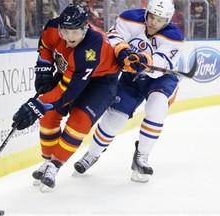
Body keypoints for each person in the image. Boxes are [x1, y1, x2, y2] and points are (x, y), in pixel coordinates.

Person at [74, 0, 185, 183]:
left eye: (159, 20)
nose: (153, 23)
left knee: (157, 107)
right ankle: (92, 154)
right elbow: (113, 37)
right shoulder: (130, 18)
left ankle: (141, 156)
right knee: (114, 117)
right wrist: (123, 52)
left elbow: (160, 64)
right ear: (146, 12)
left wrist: (143, 60)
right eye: (151, 17)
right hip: (132, 77)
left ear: (167, 20)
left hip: (162, 78)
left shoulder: (174, 37)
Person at [12, 4, 119, 190]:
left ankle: (55, 165)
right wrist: (44, 68)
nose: (69, 38)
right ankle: (47, 161)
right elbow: (46, 46)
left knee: (79, 121)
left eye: (75, 32)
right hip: (69, 73)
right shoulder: (53, 27)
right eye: (65, 32)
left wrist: (36, 105)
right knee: (48, 116)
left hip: (99, 82)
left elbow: (67, 92)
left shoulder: (91, 48)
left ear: (84, 29)